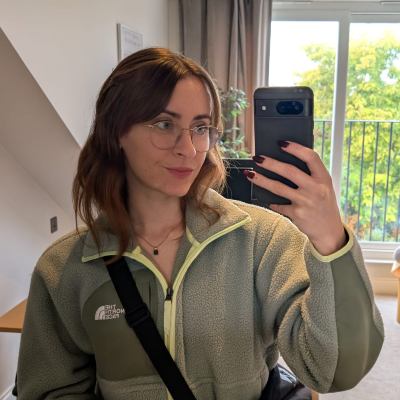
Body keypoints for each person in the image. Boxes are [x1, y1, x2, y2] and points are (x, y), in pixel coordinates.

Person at [16, 47, 384, 400]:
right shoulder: (64, 269)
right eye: (165, 124)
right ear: (116, 132)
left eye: (201, 127)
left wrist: (330, 239)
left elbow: (333, 370)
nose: (189, 148)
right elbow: (51, 390)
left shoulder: (264, 241)